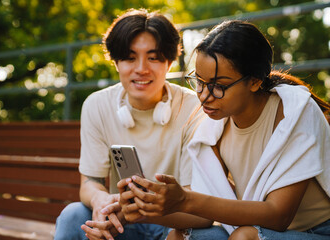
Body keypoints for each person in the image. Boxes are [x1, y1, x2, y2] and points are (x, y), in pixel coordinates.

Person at [113, 20, 330, 239]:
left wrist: (186, 199)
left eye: (219, 86)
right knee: (179, 235)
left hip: (316, 231)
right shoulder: (213, 125)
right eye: (199, 81)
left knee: (245, 237)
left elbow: (278, 216)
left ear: (254, 82)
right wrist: (143, 209)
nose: (204, 96)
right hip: (256, 228)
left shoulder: (294, 111)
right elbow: (202, 217)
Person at [54, 8, 205, 240]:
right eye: (129, 57)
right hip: (123, 219)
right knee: (72, 215)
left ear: (170, 61)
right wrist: (101, 201)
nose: (141, 69)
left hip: (174, 222)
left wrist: (142, 211)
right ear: (115, 62)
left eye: (153, 58)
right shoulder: (97, 105)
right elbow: (90, 182)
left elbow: (194, 198)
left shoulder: (194, 107)